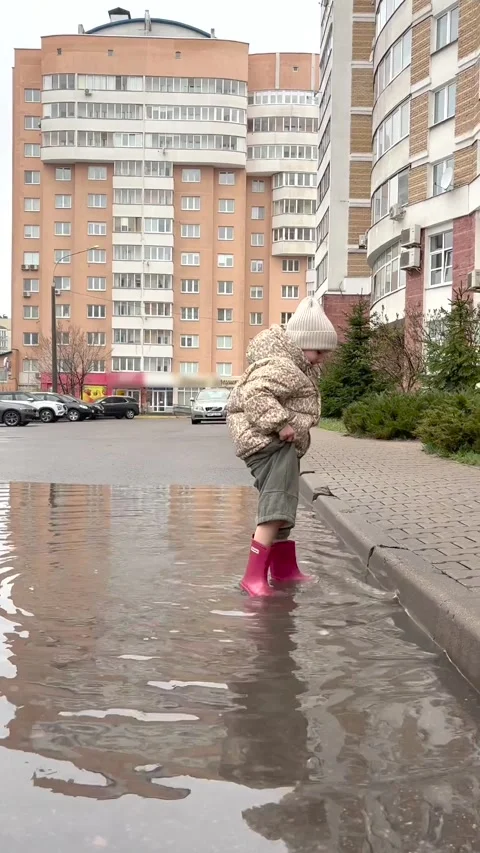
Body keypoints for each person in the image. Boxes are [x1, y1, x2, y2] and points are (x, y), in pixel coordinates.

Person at [227, 297, 338, 597]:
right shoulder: (283, 366)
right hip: (269, 444)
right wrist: (281, 424)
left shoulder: (293, 365)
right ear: (302, 344)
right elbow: (256, 394)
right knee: (276, 506)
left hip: (276, 445)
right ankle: (253, 577)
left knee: (284, 503)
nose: (320, 359)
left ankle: (283, 570)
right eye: (318, 351)